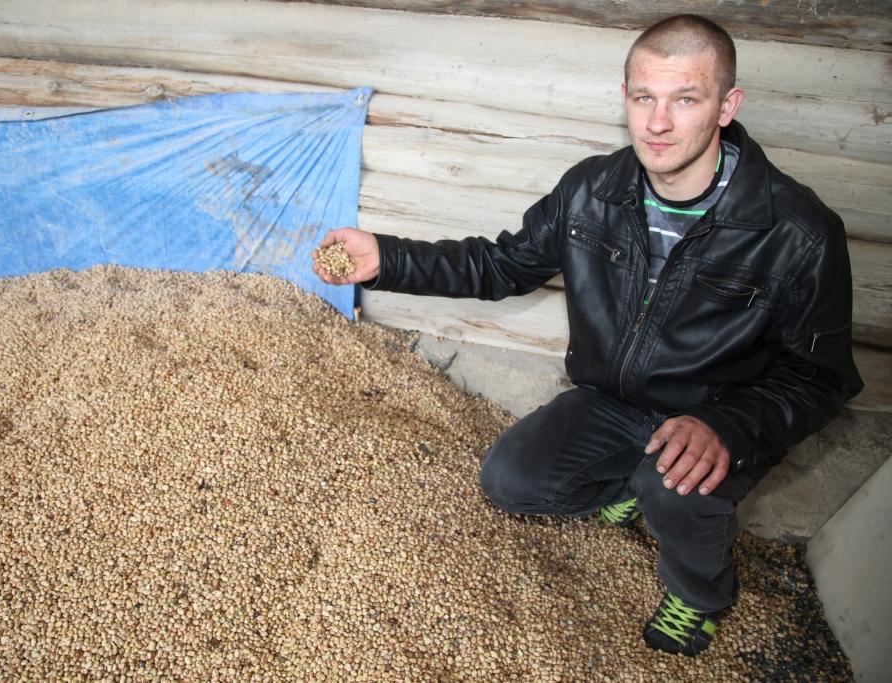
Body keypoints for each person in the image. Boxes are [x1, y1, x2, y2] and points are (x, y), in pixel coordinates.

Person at [312, 14, 862, 656]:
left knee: (674, 488)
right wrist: (390, 256)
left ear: (725, 106)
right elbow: (501, 264)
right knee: (510, 481)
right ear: (625, 98)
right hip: (612, 399)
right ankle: (632, 483)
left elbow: (821, 377)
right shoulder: (591, 189)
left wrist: (732, 428)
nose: (658, 123)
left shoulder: (797, 231)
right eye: (643, 98)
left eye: (685, 99)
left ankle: (702, 592)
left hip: (713, 415)